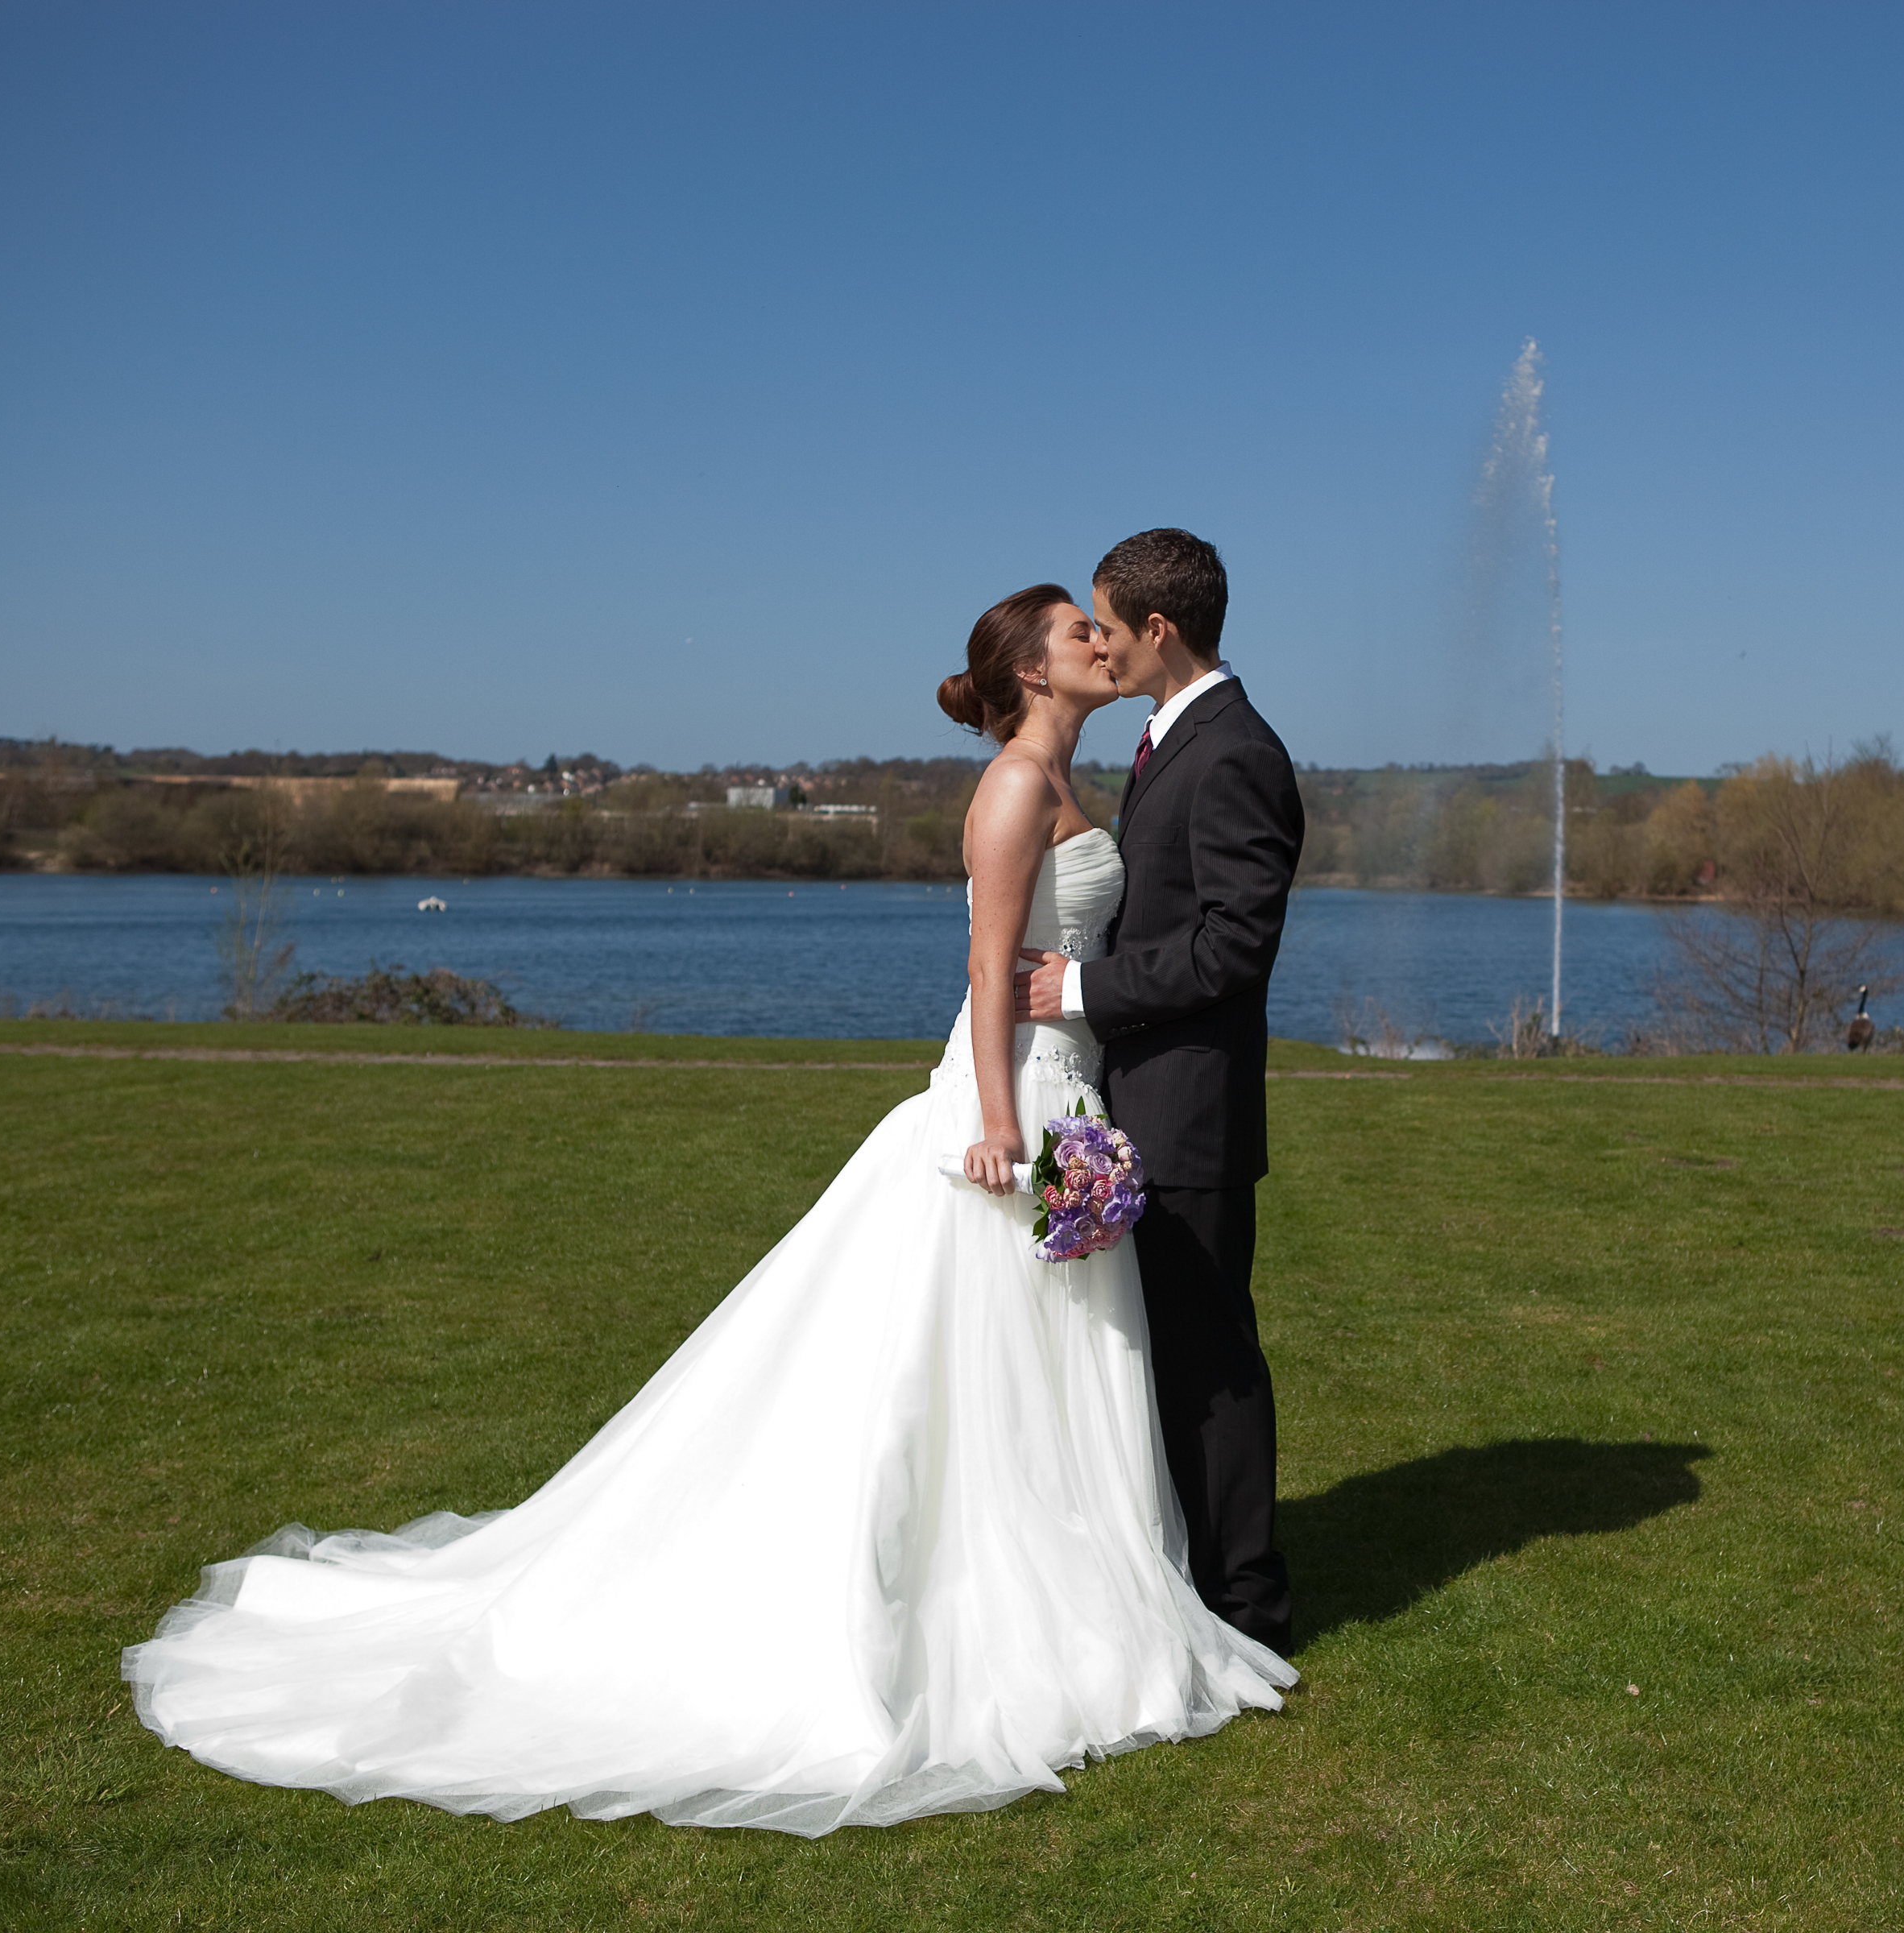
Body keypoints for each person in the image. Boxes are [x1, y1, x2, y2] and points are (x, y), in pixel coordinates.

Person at [122, 584, 1292, 1839]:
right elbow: (987, 963)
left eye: (1098, 625)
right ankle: (971, 1606)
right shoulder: (1014, 787)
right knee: (974, 1355)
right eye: (1075, 631)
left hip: (1074, 1091)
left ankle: (1071, 1595)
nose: (1098, 641)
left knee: (1053, 1361)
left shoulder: (1072, 781)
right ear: (1030, 670)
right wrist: (1002, 1121)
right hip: (1012, 1101)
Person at [1020, 528, 1304, 1657]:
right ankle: (1189, 1577)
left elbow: (1234, 947)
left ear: (1158, 627)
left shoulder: (1235, 752)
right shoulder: (1169, 738)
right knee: (1168, 1358)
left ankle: (1248, 1605)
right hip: (1142, 1095)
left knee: (1208, 1362)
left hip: (1191, 1110)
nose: (1098, 643)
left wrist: (1082, 988)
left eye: (1106, 623)